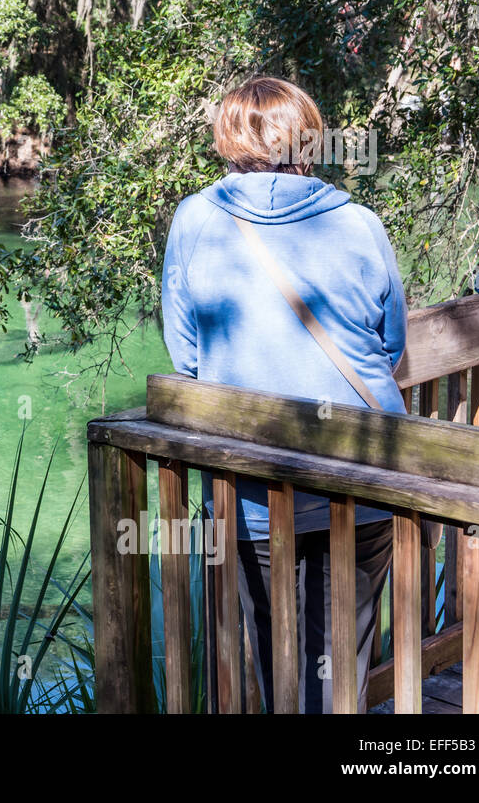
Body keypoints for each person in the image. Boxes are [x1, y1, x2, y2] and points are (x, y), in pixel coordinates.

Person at [160, 76, 406, 712]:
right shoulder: (359, 223)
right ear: (310, 139)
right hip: (364, 477)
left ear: (228, 137)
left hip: (252, 492)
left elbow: (186, 357)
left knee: (280, 667)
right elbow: (392, 343)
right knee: (342, 662)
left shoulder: (194, 220)